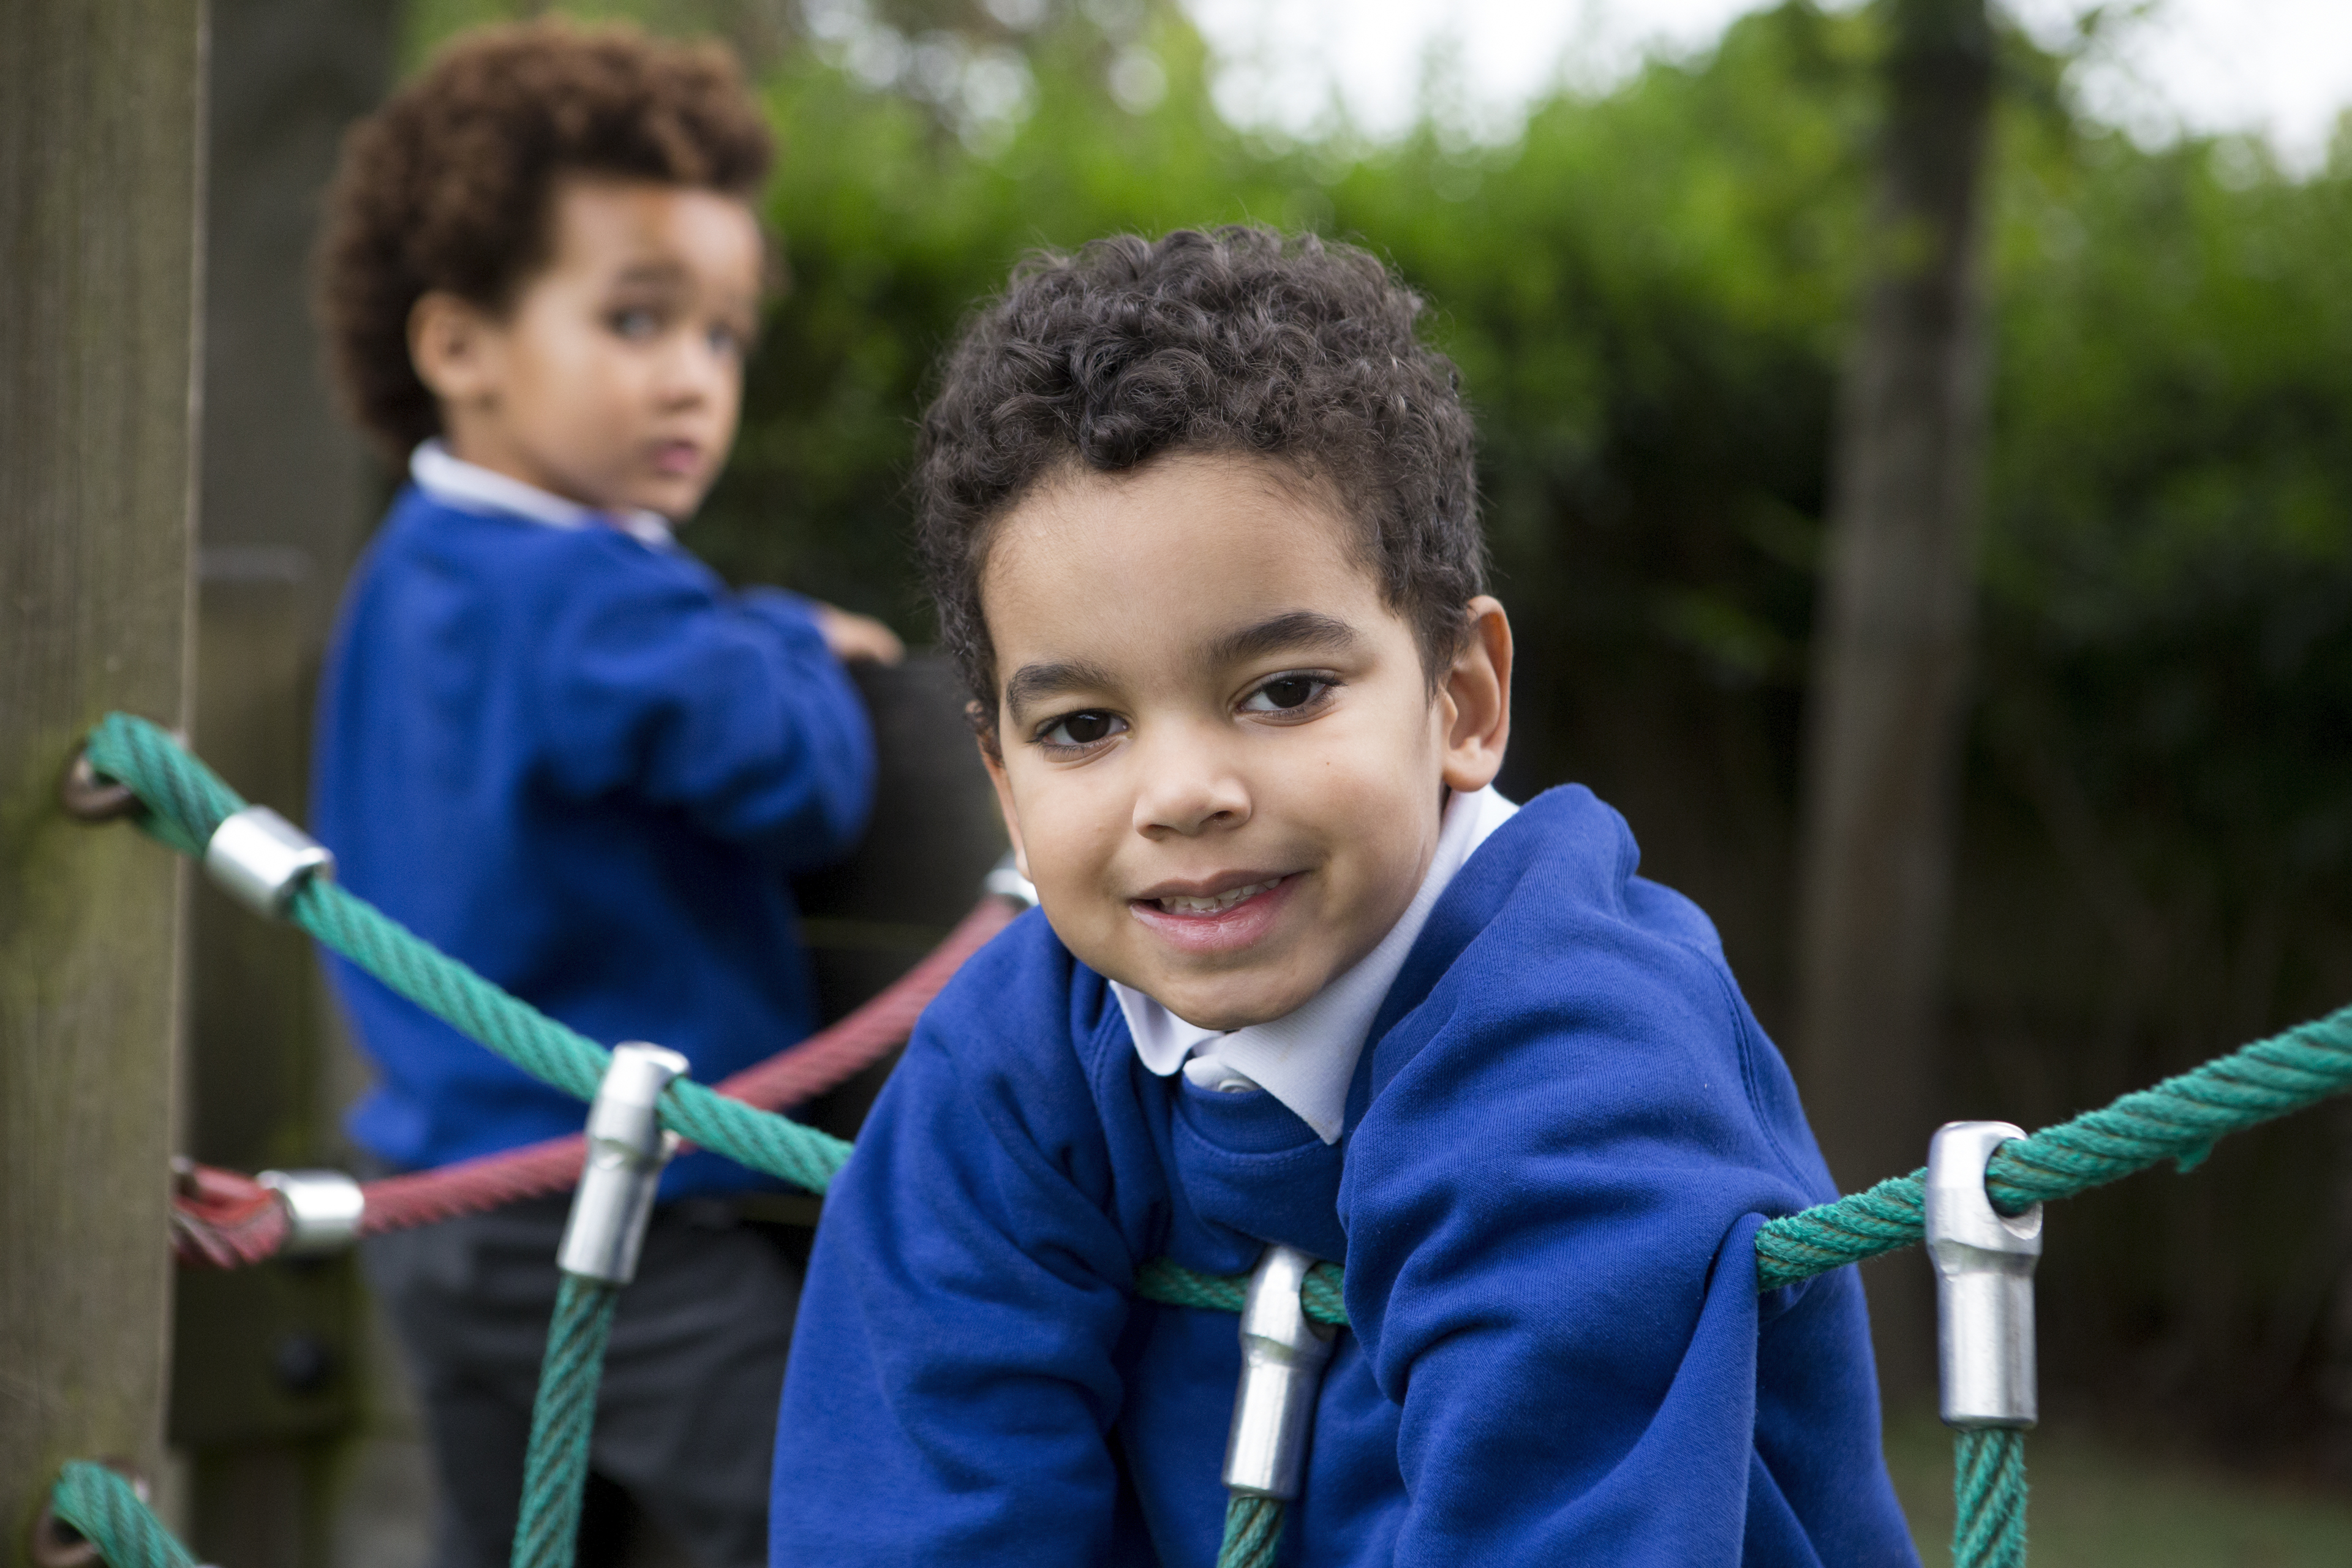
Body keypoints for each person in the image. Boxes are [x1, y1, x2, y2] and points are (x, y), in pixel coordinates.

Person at [767, 227, 1918, 1565]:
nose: (1182, 790)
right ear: (1004, 780)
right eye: (1084, 725)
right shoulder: (1013, 1057)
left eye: (1283, 690)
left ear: (1463, 699)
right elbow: (915, 1505)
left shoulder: (1587, 1064)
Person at [309, 23, 899, 1568]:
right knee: (810, 1506)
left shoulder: (417, 570)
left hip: (443, 1192)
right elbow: (805, 778)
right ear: (460, 348)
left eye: (721, 335)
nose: (694, 379)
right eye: (638, 318)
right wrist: (779, 634)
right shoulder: (593, 600)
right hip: (614, 1208)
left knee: (512, 1538)